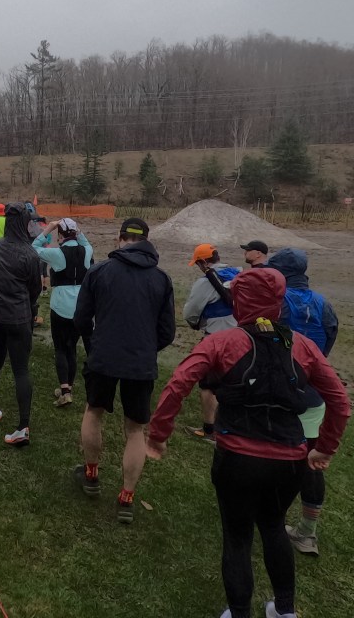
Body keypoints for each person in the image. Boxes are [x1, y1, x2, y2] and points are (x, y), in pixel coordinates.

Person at [146, 268, 351, 618]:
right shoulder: (302, 346)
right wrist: (324, 446)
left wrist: (158, 435)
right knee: (273, 525)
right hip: (289, 459)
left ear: (239, 300)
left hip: (237, 458)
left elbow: (178, 383)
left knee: (238, 536)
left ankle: (240, 612)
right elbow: (340, 401)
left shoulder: (223, 342)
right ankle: (284, 610)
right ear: (278, 302)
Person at [72, 218, 175, 523]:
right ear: (146, 241)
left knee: (93, 411)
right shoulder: (161, 279)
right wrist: (145, 348)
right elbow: (167, 332)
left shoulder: (100, 271)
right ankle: (126, 497)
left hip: (104, 356)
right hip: (140, 362)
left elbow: (81, 319)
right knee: (135, 429)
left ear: (120, 239)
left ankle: (91, 474)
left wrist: (97, 342)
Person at [267, 248, 340, 558]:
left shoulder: (276, 302)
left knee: (269, 455)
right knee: (311, 464)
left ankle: (269, 521)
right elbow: (330, 337)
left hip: (277, 393)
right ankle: (307, 533)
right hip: (312, 394)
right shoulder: (324, 304)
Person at [0, 202, 42, 446]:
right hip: (19, 317)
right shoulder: (29, 254)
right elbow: (35, 288)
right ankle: (23, 426)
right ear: (24, 224)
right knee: (21, 370)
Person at [182, 243, 241, 440]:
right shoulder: (237, 274)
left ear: (203, 262)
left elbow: (191, 312)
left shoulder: (205, 282)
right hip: (241, 337)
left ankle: (210, 430)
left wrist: (195, 324)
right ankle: (233, 427)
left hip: (217, 338)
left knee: (209, 385)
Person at [33, 217, 94, 407]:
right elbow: (85, 242)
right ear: (75, 233)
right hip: (80, 306)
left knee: (60, 348)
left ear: (60, 235)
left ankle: (65, 390)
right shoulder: (87, 250)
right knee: (71, 348)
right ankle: (69, 387)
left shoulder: (57, 253)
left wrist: (48, 229)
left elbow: (33, 248)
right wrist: (76, 230)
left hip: (60, 306)